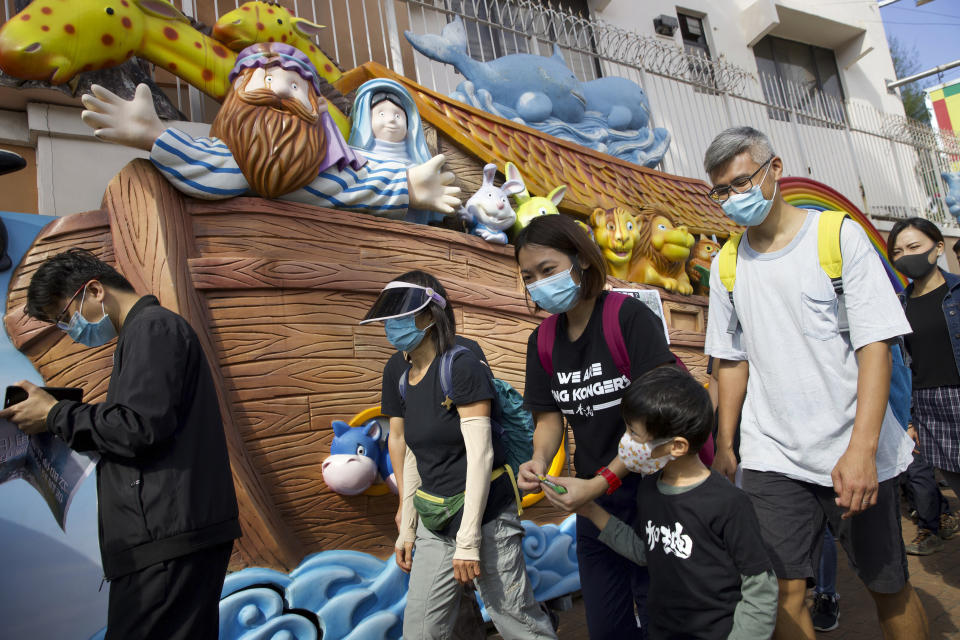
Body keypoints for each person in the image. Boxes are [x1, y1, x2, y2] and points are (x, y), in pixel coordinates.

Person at [703, 126, 925, 640]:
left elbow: (876, 347)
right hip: (772, 456)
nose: (733, 199)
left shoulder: (838, 237)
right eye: (722, 191)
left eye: (742, 182)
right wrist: (727, 445)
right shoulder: (727, 265)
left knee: (886, 584)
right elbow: (731, 362)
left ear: (774, 170)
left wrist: (862, 450)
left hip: (854, 445)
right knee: (782, 592)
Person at [0, 248, 240, 639]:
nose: (71, 332)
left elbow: (138, 427)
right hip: (164, 538)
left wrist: (55, 415)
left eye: (65, 317)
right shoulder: (145, 332)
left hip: (167, 540)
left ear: (94, 290)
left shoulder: (152, 328)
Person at [362, 270, 556, 639]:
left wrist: (469, 541)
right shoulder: (398, 371)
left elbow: (481, 455)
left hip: (486, 516)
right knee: (420, 630)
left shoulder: (461, 364)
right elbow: (414, 450)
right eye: (388, 318)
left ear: (430, 315)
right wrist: (407, 528)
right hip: (436, 516)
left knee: (515, 620)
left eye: (400, 317)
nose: (391, 326)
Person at [514, 214, 676, 639]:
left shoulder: (628, 318)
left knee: (665, 618)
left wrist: (604, 480)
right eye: (529, 276)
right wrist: (538, 461)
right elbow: (549, 419)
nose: (538, 283)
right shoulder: (543, 341)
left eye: (548, 270)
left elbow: (656, 419)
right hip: (594, 505)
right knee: (607, 627)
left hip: (653, 494)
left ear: (581, 260)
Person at [79, 43, 459, 216]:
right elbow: (217, 170)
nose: (279, 90)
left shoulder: (321, 168)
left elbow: (354, 187)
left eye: (294, 87)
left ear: (317, 108)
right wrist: (153, 135)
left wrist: (409, 186)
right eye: (266, 80)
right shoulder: (241, 159)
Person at [562, 367, 777, 639]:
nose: (625, 441)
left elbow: (760, 586)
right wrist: (590, 509)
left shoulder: (729, 503)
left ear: (677, 446)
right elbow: (644, 550)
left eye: (634, 433)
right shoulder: (650, 489)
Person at [889, 218, 960, 510]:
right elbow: (902, 367)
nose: (906, 255)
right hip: (930, 409)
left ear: (938, 247)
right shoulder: (898, 306)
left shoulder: (957, 292)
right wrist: (908, 419)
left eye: (914, 246)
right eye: (898, 251)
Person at [347, 78, 444, 225]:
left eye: (397, 115)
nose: (391, 120)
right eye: (381, 114)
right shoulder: (357, 161)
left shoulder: (418, 164)